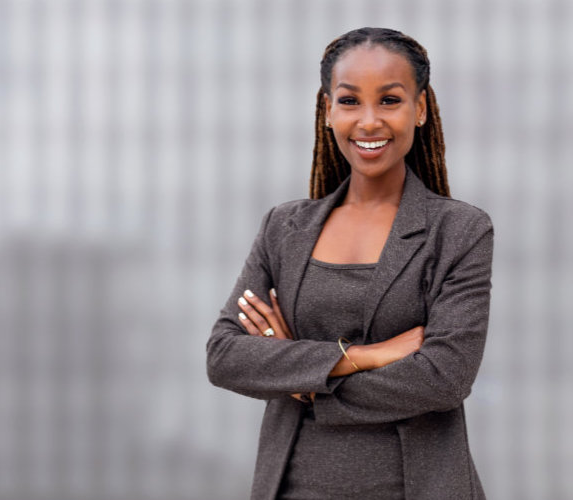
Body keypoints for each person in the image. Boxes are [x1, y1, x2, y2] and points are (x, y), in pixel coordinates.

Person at [205, 27, 495, 500]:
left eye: (389, 100)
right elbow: (225, 356)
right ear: (327, 111)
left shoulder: (459, 231)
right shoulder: (284, 228)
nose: (368, 121)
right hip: (291, 487)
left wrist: (303, 379)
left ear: (419, 109)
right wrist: (359, 356)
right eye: (349, 101)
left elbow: (444, 378)